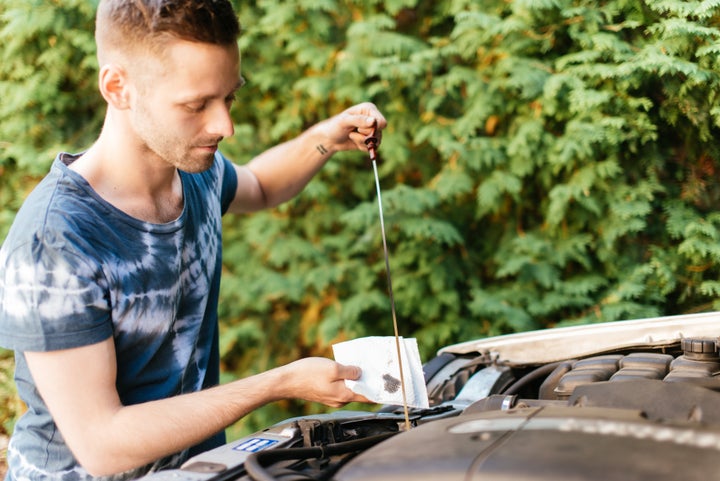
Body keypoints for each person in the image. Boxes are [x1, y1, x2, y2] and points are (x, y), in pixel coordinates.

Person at [0, 1, 385, 479]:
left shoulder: (192, 169)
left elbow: (260, 186)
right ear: (118, 88)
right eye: (196, 104)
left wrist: (326, 138)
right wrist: (278, 383)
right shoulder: (54, 243)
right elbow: (104, 444)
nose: (224, 126)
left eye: (230, 98)